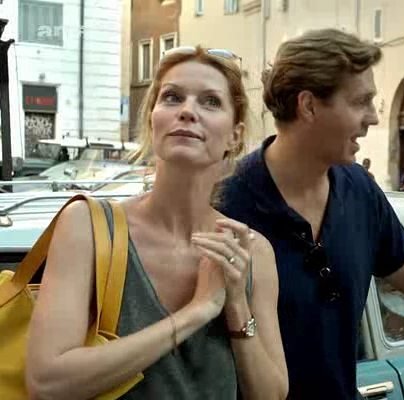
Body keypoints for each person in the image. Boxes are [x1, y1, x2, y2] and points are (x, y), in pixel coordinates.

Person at [25, 47, 288, 399]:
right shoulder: (89, 226)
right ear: (152, 118)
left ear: (235, 135)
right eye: (172, 97)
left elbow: (271, 394)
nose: (187, 111)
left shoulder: (251, 252)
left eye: (210, 102)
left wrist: (237, 304)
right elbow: (47, 382)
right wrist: (197, 311)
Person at [219, 28, 404, 399]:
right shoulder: (226, 203)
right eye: (361, 102)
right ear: (309, 106)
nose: (373, 118)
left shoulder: (359, 188)